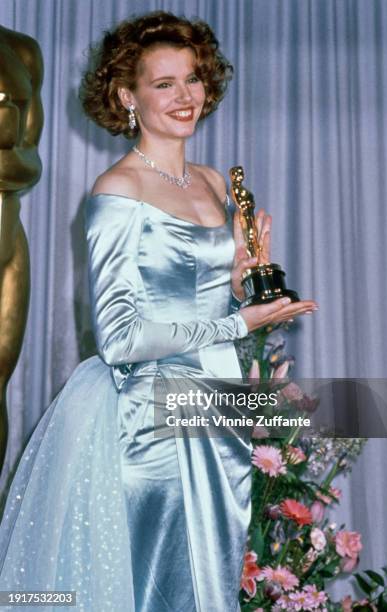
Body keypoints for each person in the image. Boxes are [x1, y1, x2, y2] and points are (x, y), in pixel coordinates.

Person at [0, 11, 317, 612]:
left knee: (212, 583)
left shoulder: (213, 185)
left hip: (218, 405)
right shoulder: (117, 190)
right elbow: (120, 337)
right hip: (152, 422)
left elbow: (188, 294)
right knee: (161, 589)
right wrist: (236, 323)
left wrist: (240, 282)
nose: (184, 96)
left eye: (192, 79)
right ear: (127, 95)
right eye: (162, 83)